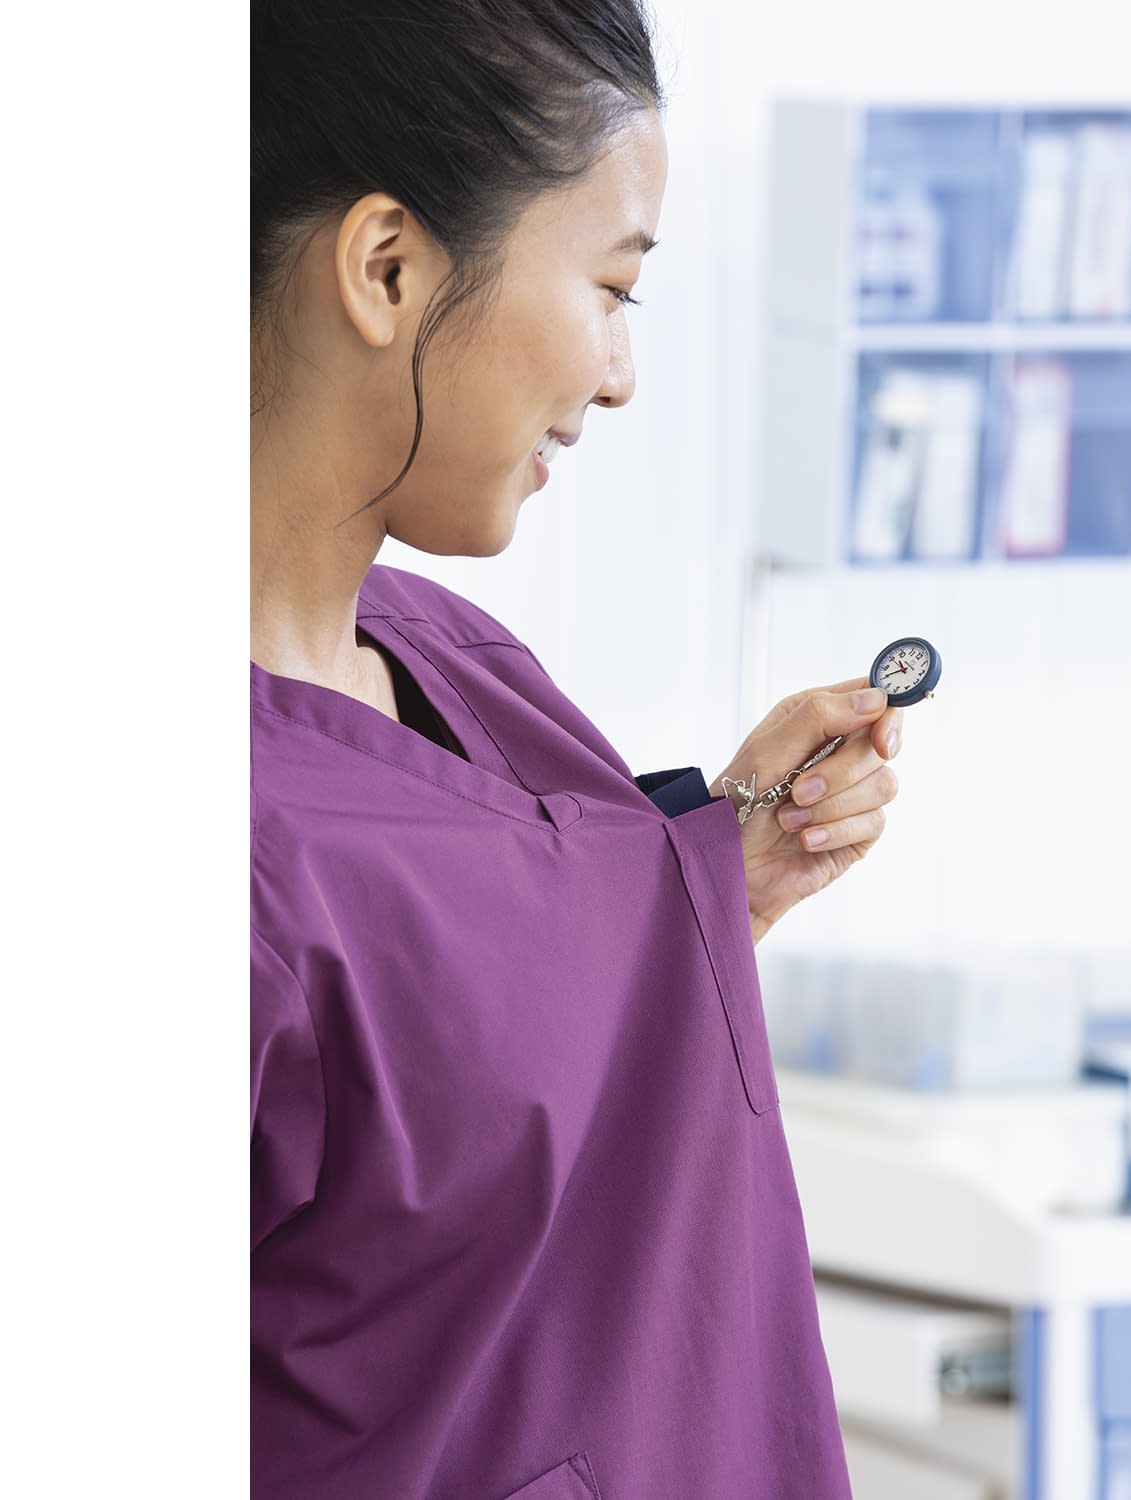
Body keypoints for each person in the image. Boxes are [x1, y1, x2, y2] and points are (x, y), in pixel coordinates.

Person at [251, 3, 904, 1496]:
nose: (620, 375)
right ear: (388, 268)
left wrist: (721, 876)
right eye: (613, 288)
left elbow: (484, 994)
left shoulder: (455, 661)